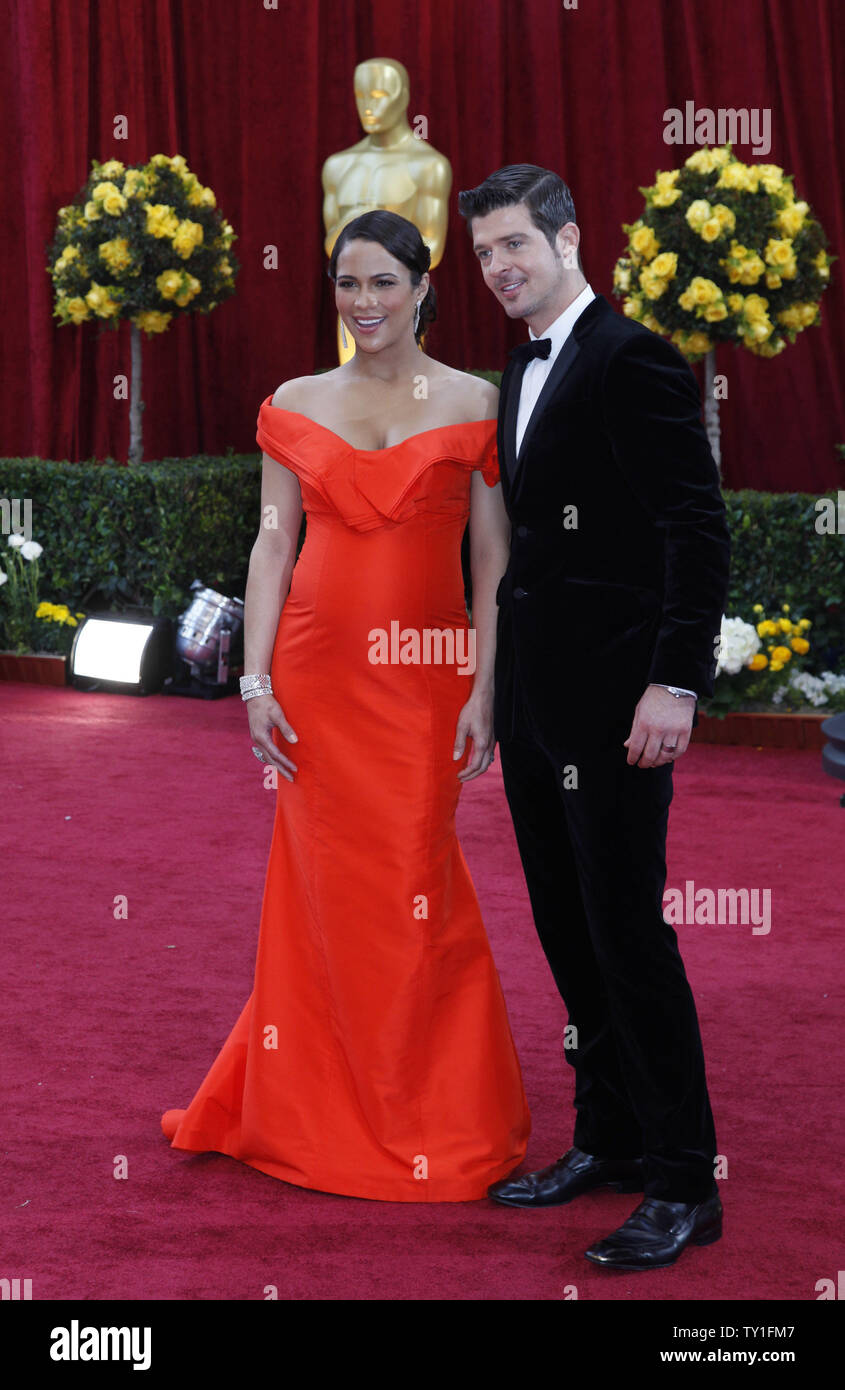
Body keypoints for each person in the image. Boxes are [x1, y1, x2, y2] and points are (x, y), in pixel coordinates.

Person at [161, 210, 530, 1201]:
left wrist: (486, 685)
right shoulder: (293, 399)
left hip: (422, 681)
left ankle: (426, 1112)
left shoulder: (474, 400)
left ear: (421, 287)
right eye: (345, 284)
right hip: (317, 681)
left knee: (416, 887)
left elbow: (493, 556)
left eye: (380, 283)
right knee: (321, 894)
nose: (361, 302)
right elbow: (272, 546)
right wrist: (253, 679)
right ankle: (309, 1109)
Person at [457, 165, 731, 1268]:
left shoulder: (631, 360)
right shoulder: (516, 367)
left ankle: (683, 1181)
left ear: (570, 238)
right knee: (567, 932)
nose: (501, 268)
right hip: (537, 705)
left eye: (516, 244)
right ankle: (608, 1136)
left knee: (626, 933)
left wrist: (675, 682)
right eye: (483, 254)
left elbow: (694, 530)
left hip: (621, 704)